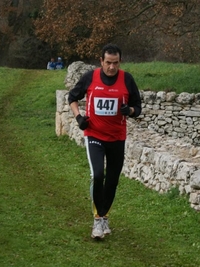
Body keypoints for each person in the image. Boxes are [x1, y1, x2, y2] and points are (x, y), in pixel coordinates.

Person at [68, 43, 142, 239]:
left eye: (115, 63)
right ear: (101, 61)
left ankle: (104, 217)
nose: (111, 67)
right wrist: (78, 118)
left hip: (117, 137)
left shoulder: (127, 79)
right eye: (108, 63)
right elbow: (72, 97)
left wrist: (131, 111)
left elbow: (138, 106)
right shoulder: (90, 78)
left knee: (112, 180)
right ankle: (97, 221)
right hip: (94, 135)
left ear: (120, 62)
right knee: (98, 174)